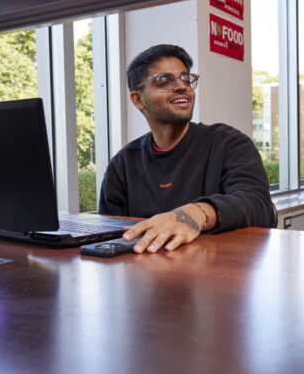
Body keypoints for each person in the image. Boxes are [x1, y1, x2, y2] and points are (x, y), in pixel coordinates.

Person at [99, 44, 277, 253]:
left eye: (186, 79)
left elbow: (259, 206)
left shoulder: (229, 143)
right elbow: (108, 233)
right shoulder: (123, 164)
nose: (182, 86)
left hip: (217, 275)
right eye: (164, 81)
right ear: (138, 99)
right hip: (145, 276)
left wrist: (197, 214)